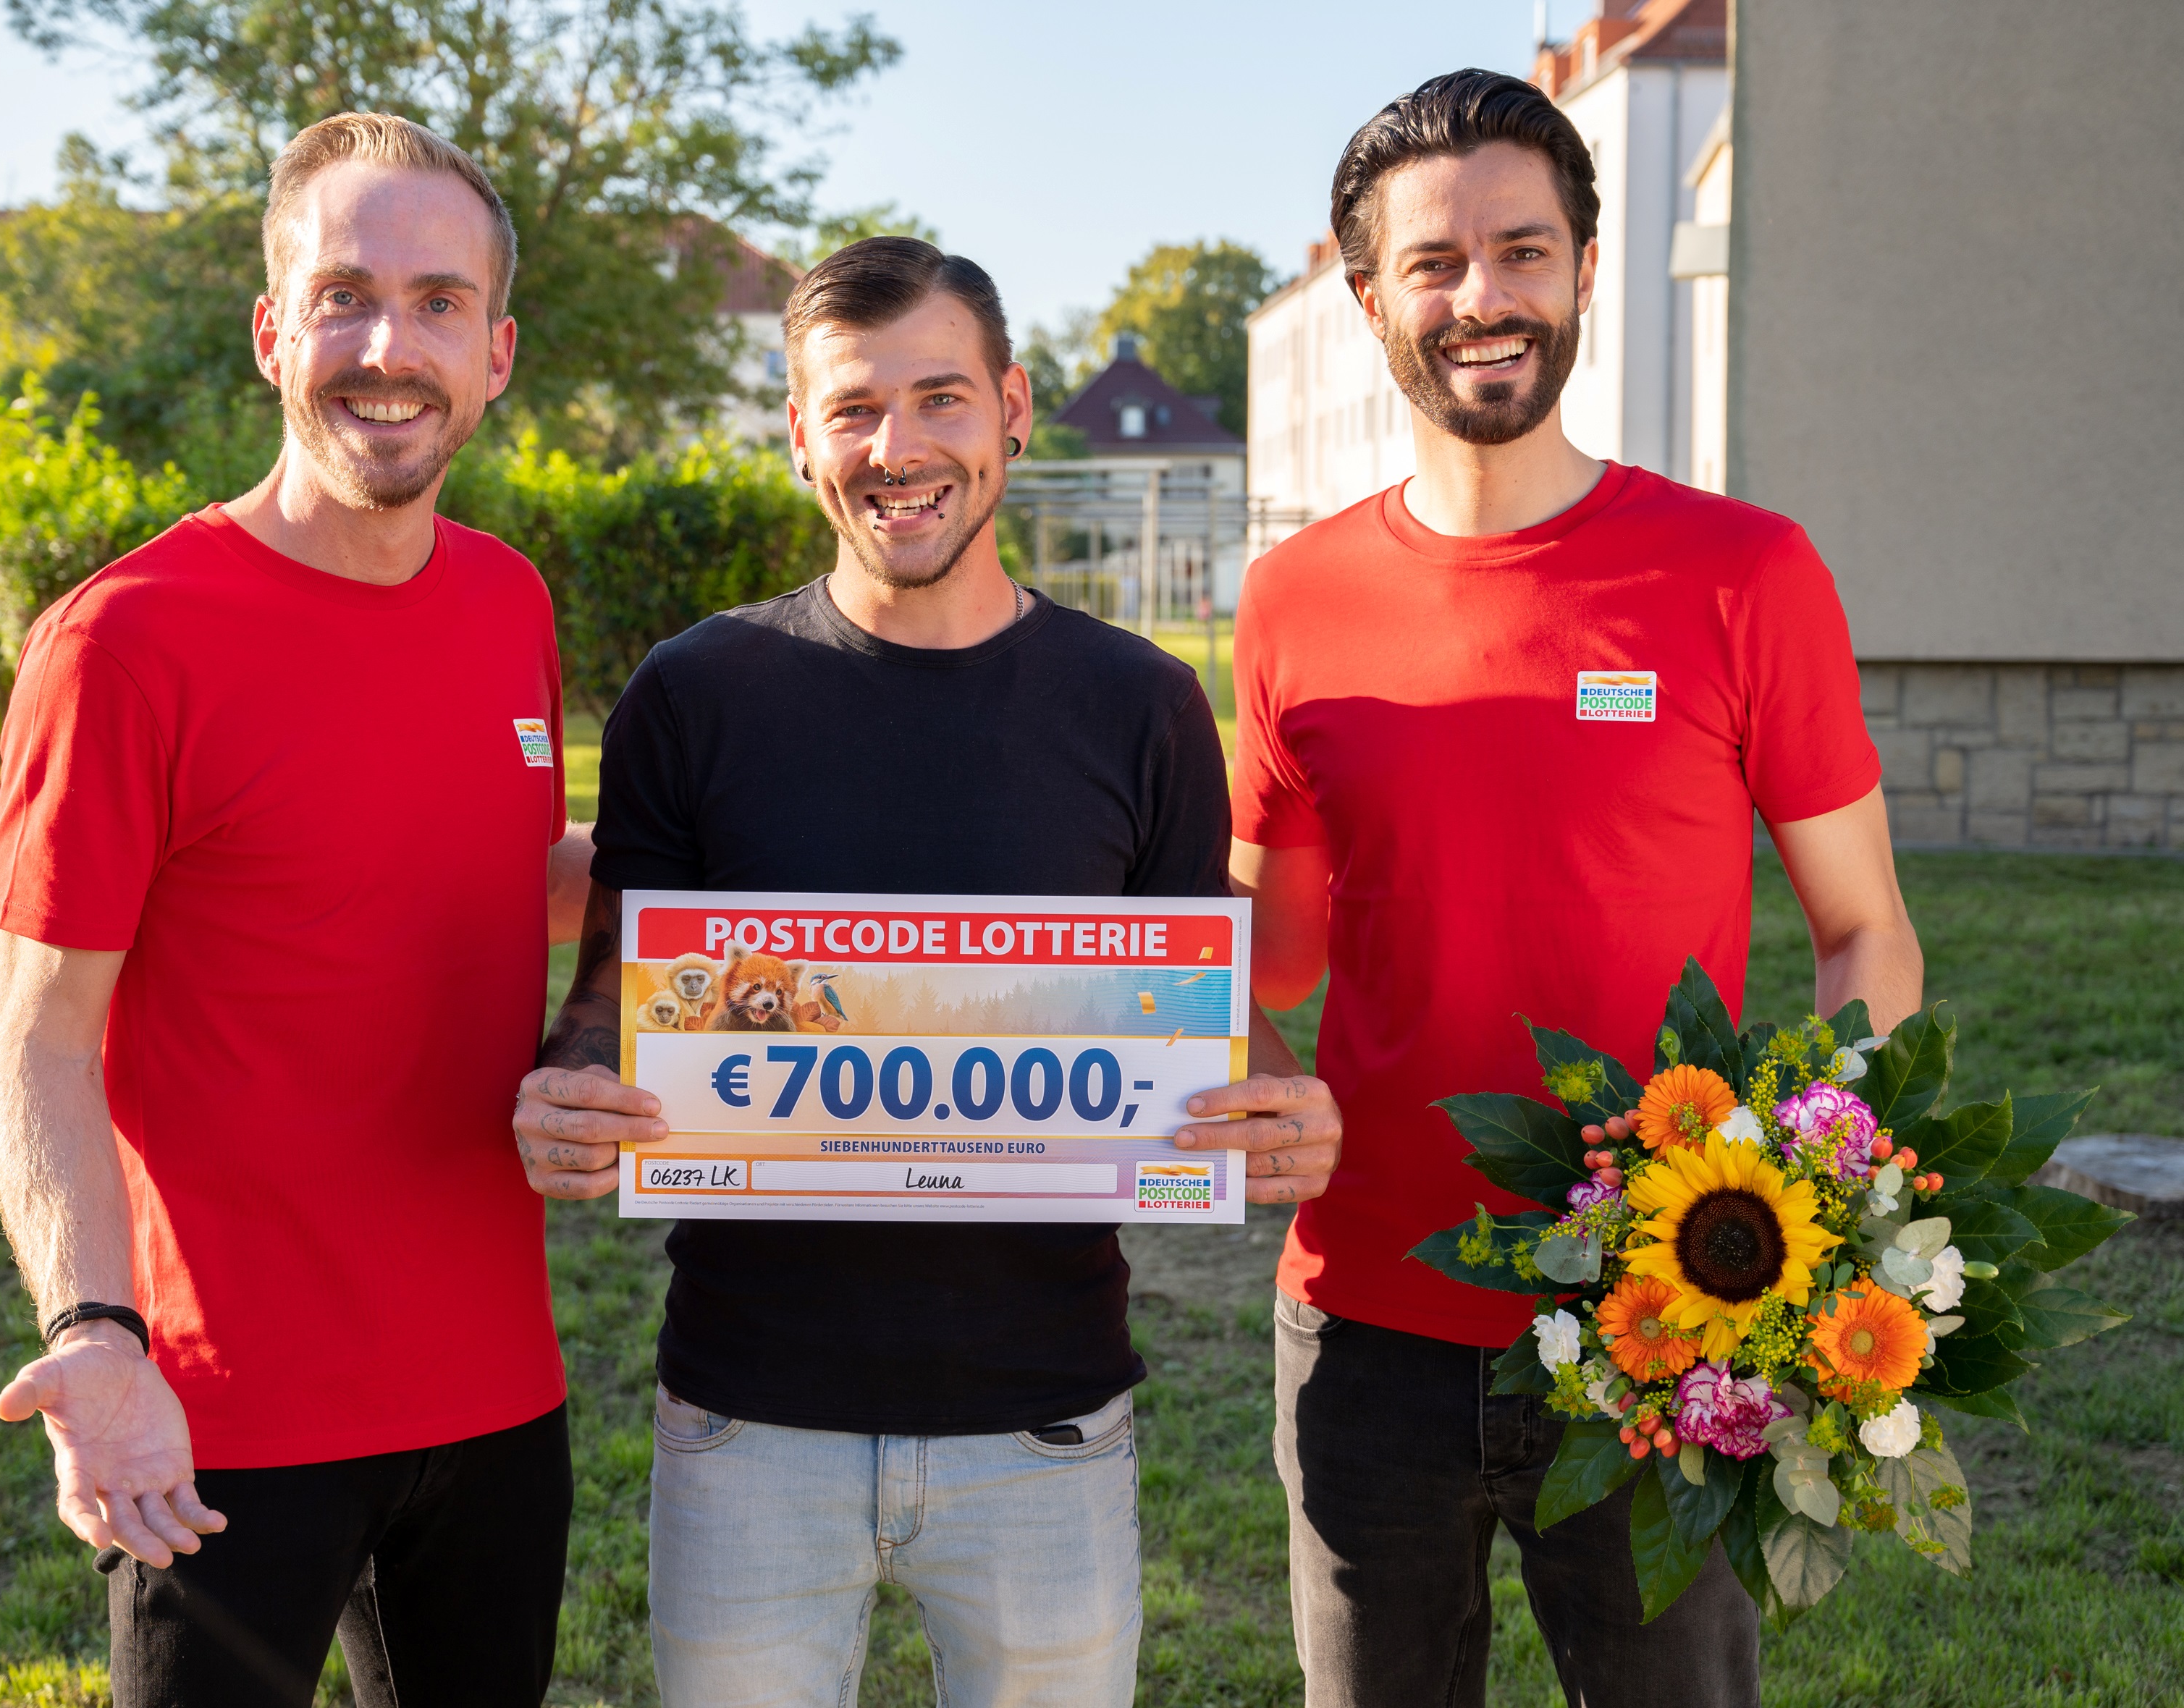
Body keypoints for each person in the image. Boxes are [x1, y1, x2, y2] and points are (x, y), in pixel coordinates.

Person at [506, 236, 1344, 1707]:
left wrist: (1289, 1108)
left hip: (1044, 1421)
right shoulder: (693, 695)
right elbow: (607, 1000)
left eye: (939, 397)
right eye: (853, 408)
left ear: (1011, 409)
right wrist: (566, 1092)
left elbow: (1192, 1016)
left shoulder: (1141, 705)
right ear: (799, 436)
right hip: (747, 1418)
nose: (897, 448)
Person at [1232, 70, 1925, 1708]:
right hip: (1365, 1316)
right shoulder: (1293, 597)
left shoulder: (1744, 572)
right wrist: (1219, 1053)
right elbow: (1259, 968)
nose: (1481, 297)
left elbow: (1861, 929)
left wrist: (1826, 1217)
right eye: (1433, 262)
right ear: (1367, 297)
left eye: (1522, 250)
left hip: (1662, 1314)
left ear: (1586, 269)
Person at [0, 112, 593, 1708]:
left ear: (496, 351)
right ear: (272, 332)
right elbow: (40, 1040)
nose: (390, 348)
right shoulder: (125, 641)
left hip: (495, 1396)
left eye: (439, 303)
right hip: (218, 1419)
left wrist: (770, 883)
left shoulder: (509, 597)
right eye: (344, 297)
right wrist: (96, 1336)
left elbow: (490, 878)